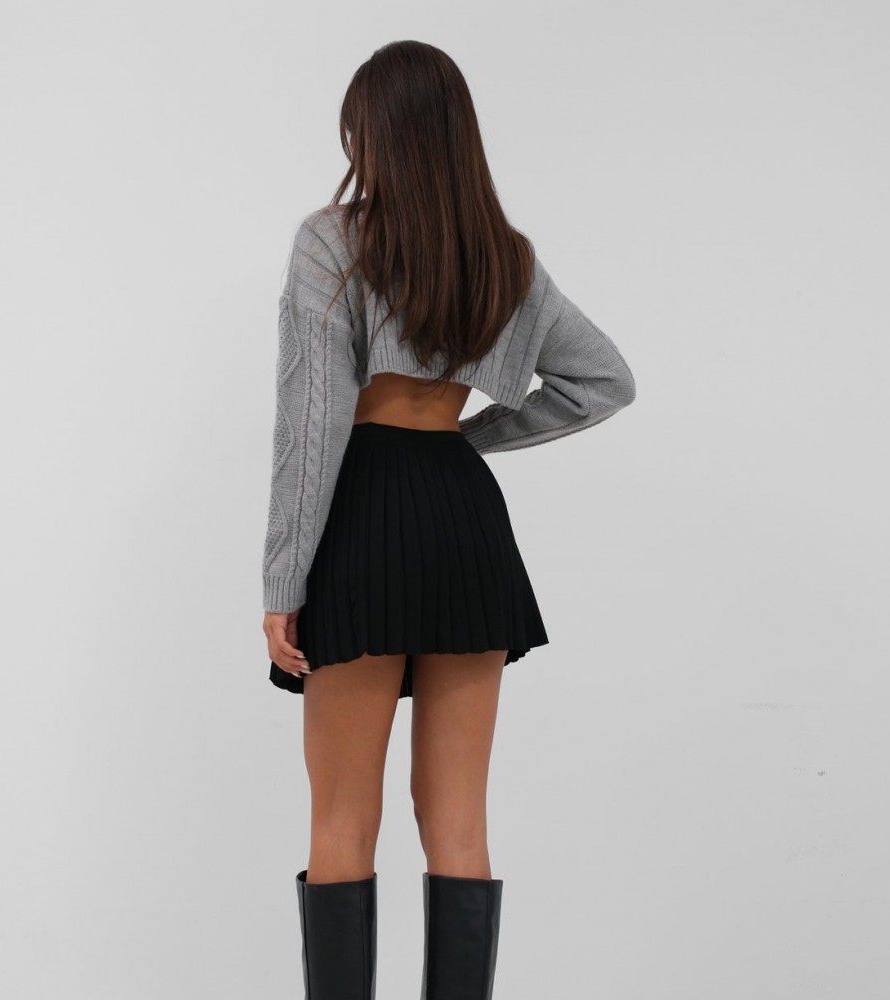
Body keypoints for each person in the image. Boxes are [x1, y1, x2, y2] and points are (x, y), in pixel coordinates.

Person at [261, 40, 636, 999]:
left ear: (372, 133)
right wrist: (466, 441)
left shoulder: (333, 240)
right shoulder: (504, 257)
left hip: (363, 517)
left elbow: (314, 425)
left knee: (342, 820)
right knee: (460, 820)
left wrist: (282, 583)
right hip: (464, 521)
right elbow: (603, 382)